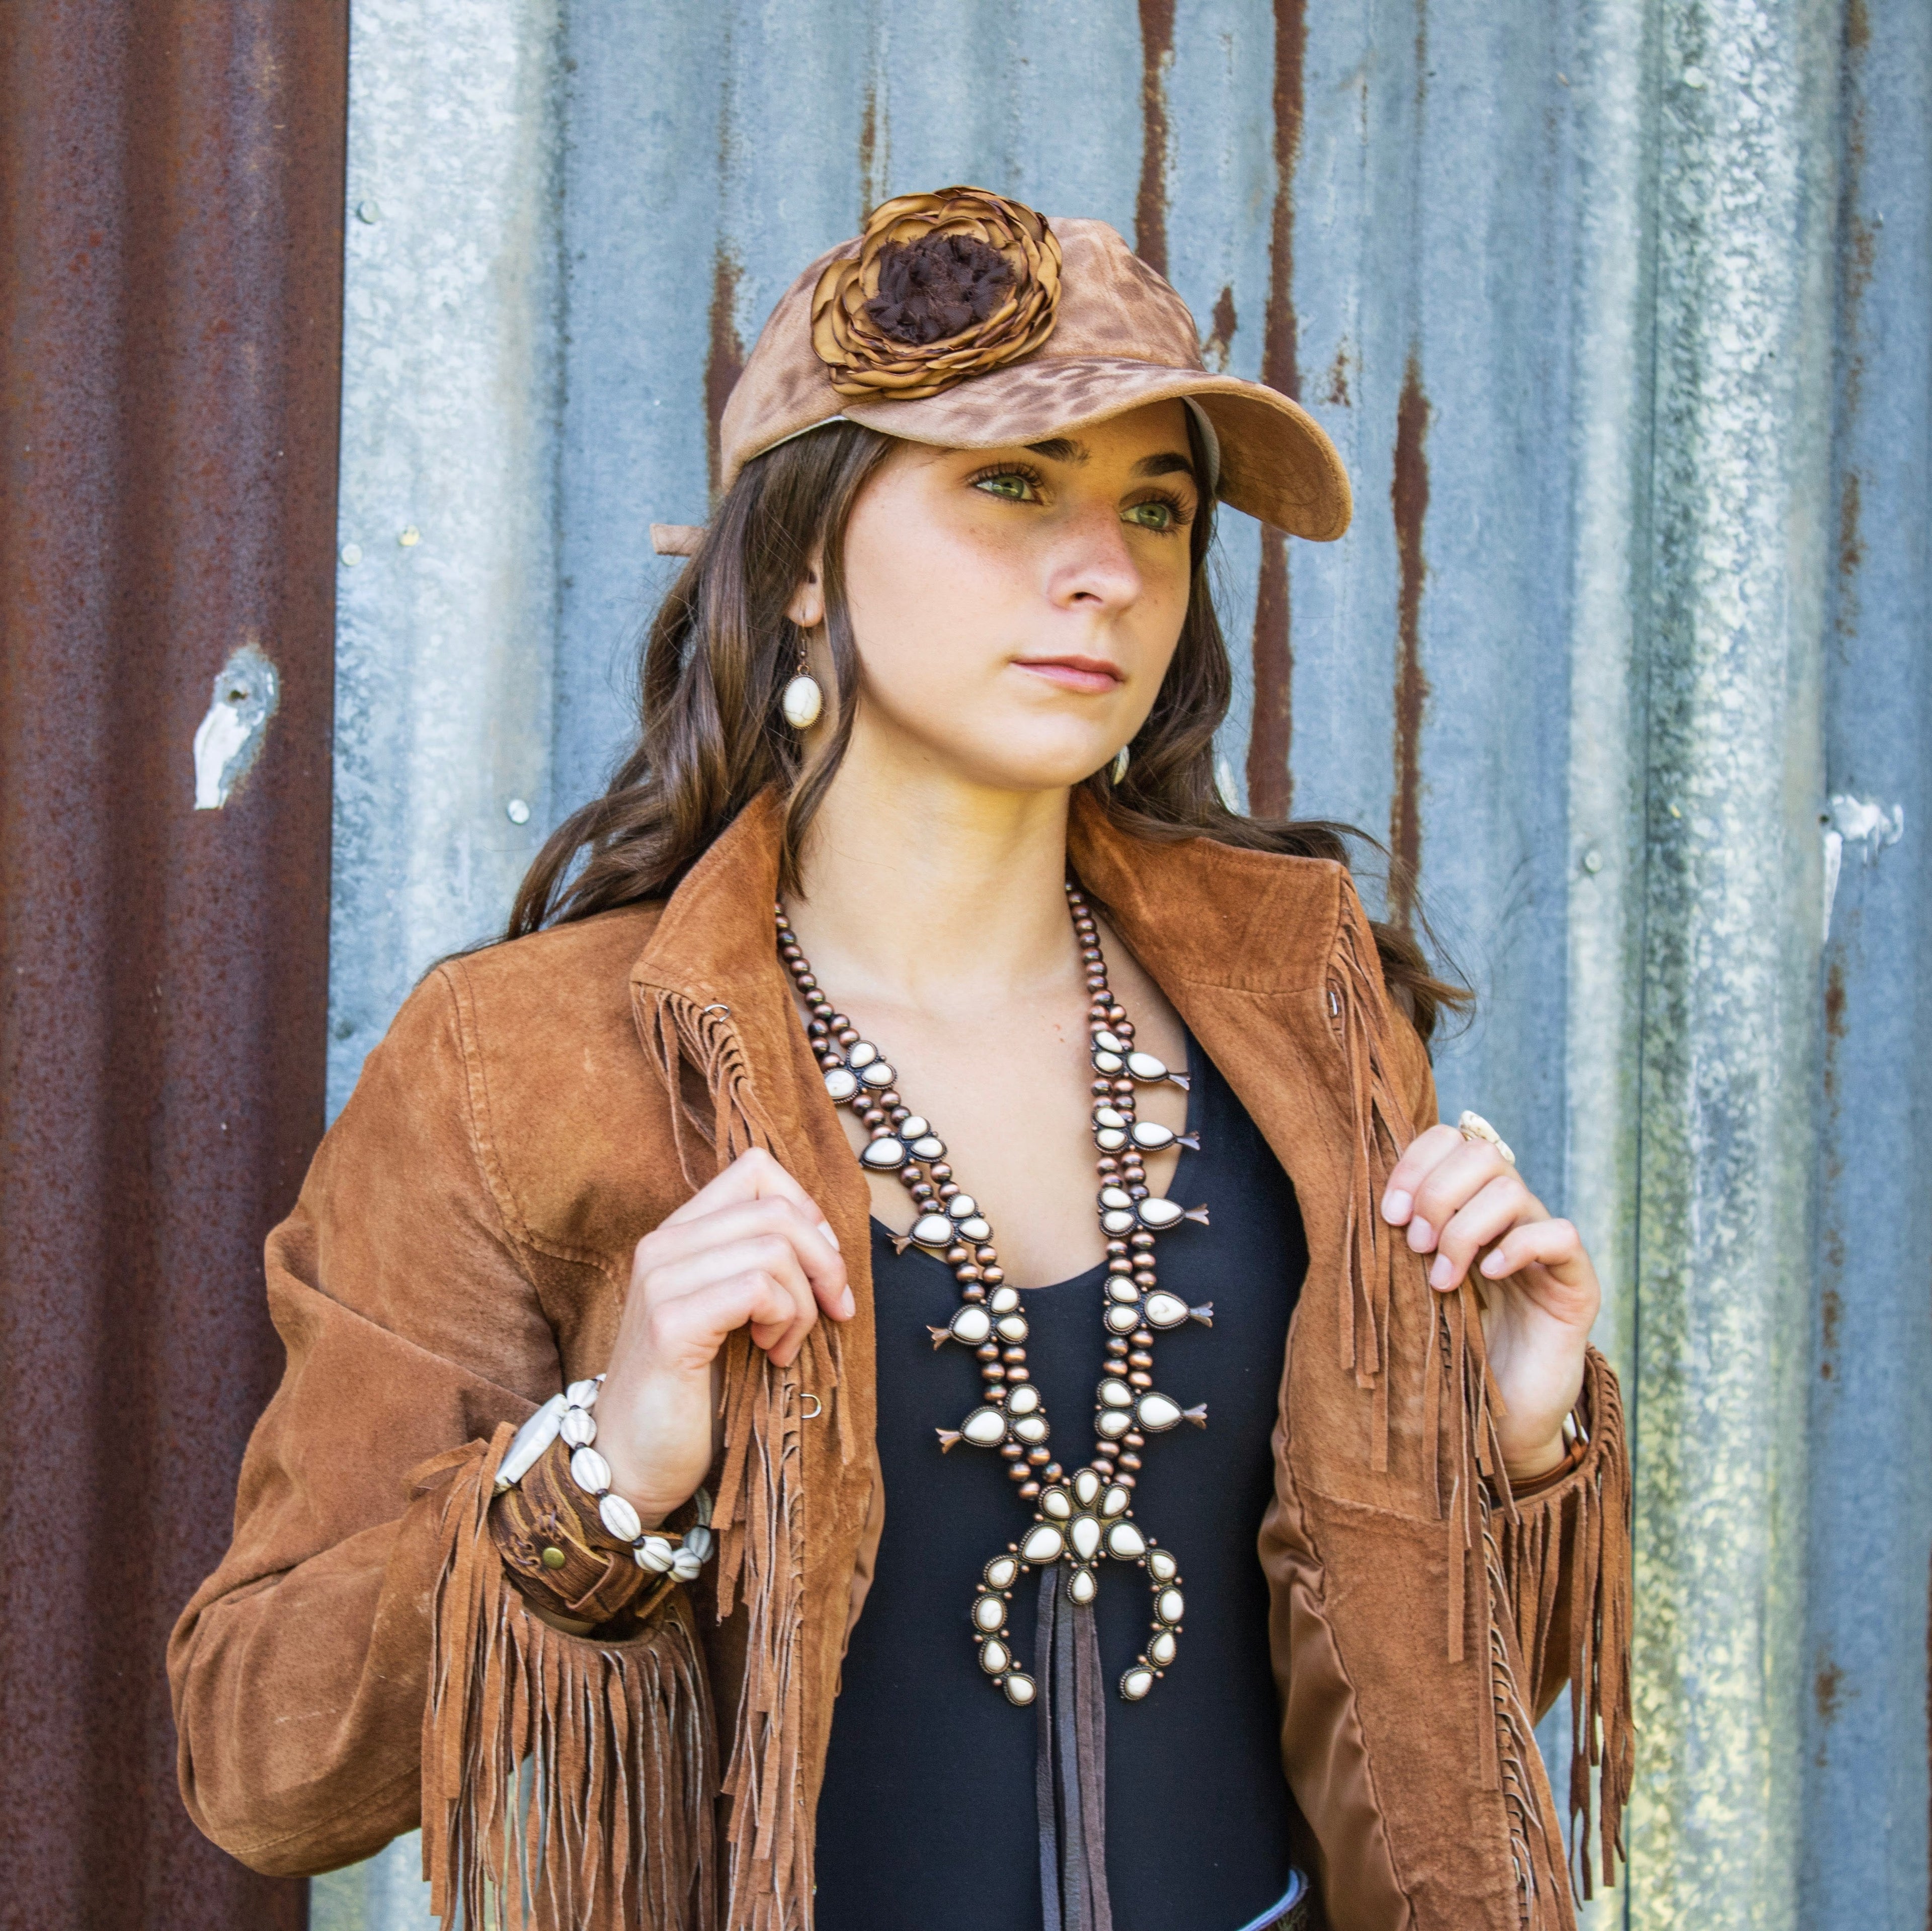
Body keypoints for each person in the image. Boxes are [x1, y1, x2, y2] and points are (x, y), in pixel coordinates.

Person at [171, 187, 1631, 1931]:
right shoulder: (519, 1062)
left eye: (1156, 510)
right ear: (800, 552)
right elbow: (262, 1756)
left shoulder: (1304, 1001)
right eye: (1010, 482)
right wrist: (603, 1473)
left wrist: (1514, 1447)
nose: (1105, 569)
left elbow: (1411, 1736)